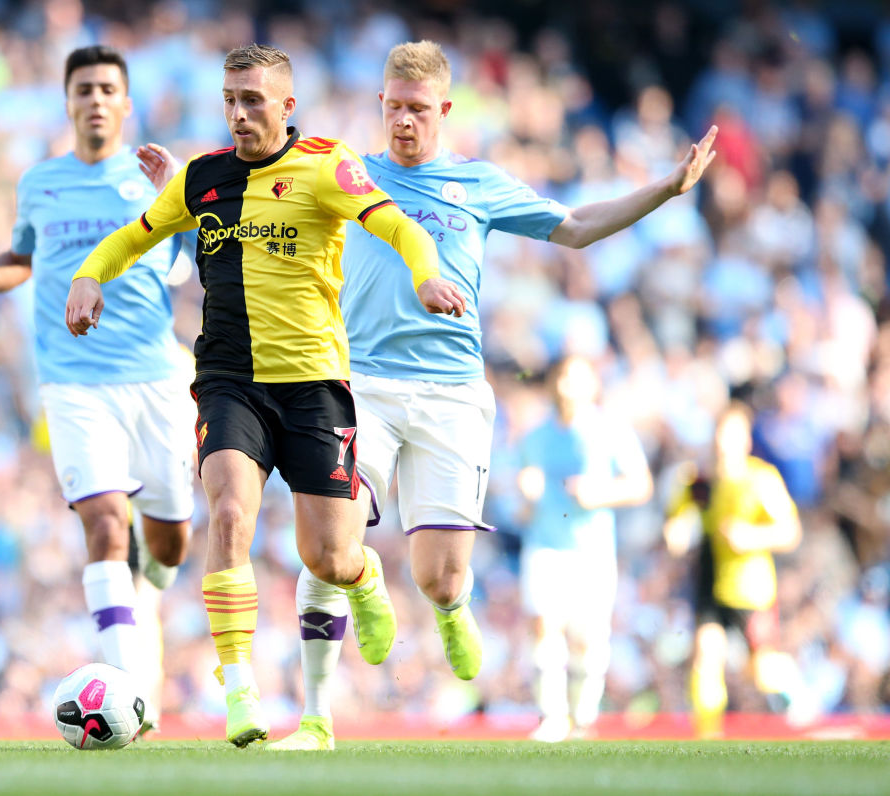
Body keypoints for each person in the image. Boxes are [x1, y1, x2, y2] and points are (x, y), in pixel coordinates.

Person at [269, 40, 708, 750]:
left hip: (452, 397)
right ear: (379, 105)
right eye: (392, 107)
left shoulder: (478, 185)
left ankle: (450, 607)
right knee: (324, 549)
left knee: (439, 578)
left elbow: (576, 228)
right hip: (361, 388)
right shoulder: (346, 176)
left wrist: (663, 189)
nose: (403, 121)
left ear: (443, 110)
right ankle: (316, 718)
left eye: (417, 109)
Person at [65, 43, 467, 747]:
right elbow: (133, 236)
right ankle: (240, 689)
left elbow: (398, 224)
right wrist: (88, 276)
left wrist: (426, 275)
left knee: (328, 559)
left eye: (254, 100)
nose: (240, 113)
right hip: (229, 383)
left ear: (286, 106)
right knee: (227, 514)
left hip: (313, 388)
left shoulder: (324, 165)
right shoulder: (202, 178)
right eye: (230, 100)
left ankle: (364, 577)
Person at [0, 46, 194, 732]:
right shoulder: (40, 183)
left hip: (157, 379)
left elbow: (204, 260)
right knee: (106, 524)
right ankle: (132, 692)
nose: (95, 99)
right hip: (73, 382)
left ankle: (156, 573)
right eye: (84, 88)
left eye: (108, 88)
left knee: (170, 543)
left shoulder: (156, 178)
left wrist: (184, 199)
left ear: (126, 103)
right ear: (68, 101)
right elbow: (24, 258)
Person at [516, 356, 653, 742]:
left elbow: (641, 485)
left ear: (593, 385)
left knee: (588, 636)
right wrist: (526, 494)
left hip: (592, 550)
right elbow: (524, 507)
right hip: (544, 545)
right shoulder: (535, 437)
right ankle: (551, 716)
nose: (566, 387)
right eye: (561, 377)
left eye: (576, 379)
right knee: (544, 624)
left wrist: (599, 494)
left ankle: (583, 718)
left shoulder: (610, 431)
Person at [665, 401, 809, 739]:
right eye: (718, 433)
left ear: (744, 440)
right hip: (710, 580)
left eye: (730, 434)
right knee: (705, 654)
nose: (721, 442)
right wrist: (675, 532)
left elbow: (790, 532)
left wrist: (751, 536)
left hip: (750, 586)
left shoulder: (761, 479)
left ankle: (801, 701)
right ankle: (708, 738)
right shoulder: (697, 481)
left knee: (760, 669)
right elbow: (678, 520)